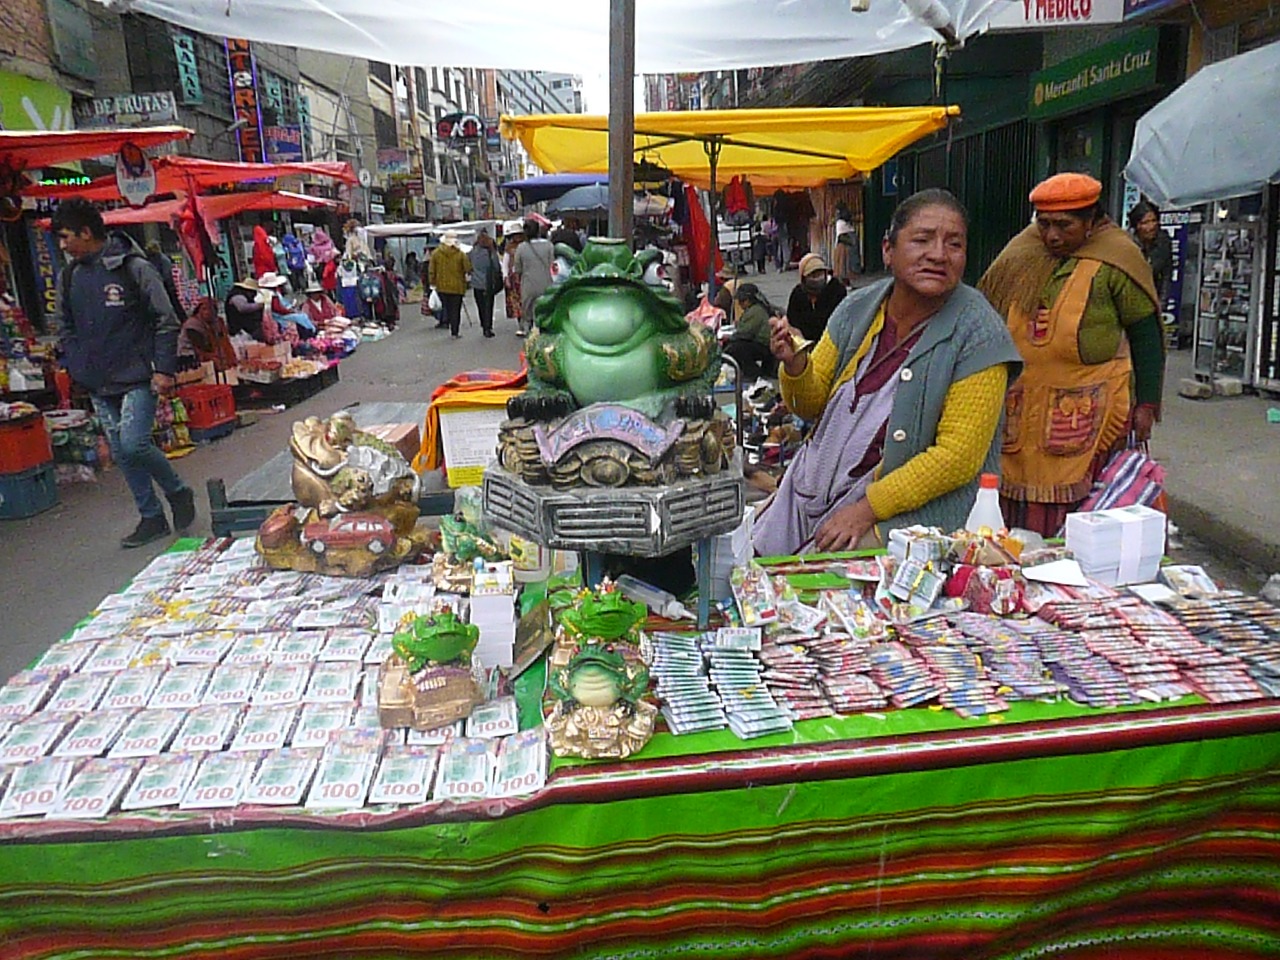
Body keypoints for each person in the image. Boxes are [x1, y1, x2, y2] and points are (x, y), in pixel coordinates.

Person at [752, 188, 1022, 556]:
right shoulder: (858, 307)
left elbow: (956, 458)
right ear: (888, 250)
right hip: (817, 487)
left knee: (832, 572)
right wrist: (796, 365)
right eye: (922, 240)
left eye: (954, 244)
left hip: (908, 516)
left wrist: (865, 510)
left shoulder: (979, 333)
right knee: (756, 565)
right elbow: (811, 405)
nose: (938, 255)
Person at [979, 172, 1165, 538]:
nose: (1051, 236)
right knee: (1008, 500)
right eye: (1044, 224)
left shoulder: (1119, 259)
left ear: (1091, 220)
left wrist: (1146, 404)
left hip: (1088, 410)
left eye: (1064, 226)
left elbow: (1146, 335)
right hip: (1021, 405)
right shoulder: (1022, 252)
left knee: (1080, 508)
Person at [51, 198, 196, 548]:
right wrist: (76, 363)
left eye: (66, 236)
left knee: (134, 442)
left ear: (86, 232)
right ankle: (150, 517)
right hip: (98, 381)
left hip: (139, 376)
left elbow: (166, 320)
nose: (63, 245)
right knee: (120, 450)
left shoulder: (133, 268)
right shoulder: (70, 276)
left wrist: (163, 369)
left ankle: (177, 491)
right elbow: (64, 326)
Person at [786, 253, 847, 343]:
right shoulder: (798, 294)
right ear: (804, 278)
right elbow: (792, 322)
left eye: (820, 274)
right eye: (813, 275)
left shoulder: (837, 291)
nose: (817, 278)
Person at [722, 283, 775, 381]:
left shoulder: (756, 311)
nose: (740, 304)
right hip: (760, 343)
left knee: (737, 348)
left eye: (742, 301)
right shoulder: (753, 310)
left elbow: (745, 333)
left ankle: (753, 373)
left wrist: (729, 337)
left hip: (763, 345)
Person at [513, 218, 554, 337]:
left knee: (528, 309)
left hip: (528, 285)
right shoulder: (549, 245)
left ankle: (527, 329)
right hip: (546, 284)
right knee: (544, 308)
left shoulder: (521, 248)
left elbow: (518, 269)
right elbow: (552, 264)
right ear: (538, 231)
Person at [1129, 200, 1173, 305]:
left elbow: (1166, 273)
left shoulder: (1163, 242)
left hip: (1153, 298)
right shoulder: (1127, 244)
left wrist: (1162, 302)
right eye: (1145, 223)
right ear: (1137, 225)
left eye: (1154, 221)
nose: (1151, 226)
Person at [429, 230, 469, 338]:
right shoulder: (460, 254)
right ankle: (454, 332)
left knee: (446, 307)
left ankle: (446, 322)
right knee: (455, 310)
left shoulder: (435, 254)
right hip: (457, 287)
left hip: (442, 286)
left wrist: (432, 282)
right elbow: (468, 268)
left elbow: (432, 270)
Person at [467, 228, 503, 339]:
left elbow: (469, 266)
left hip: (476, 283)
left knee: (480, 305)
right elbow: (497, 267)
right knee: (488, 305)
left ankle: (484, 324)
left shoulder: (472, 252)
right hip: (488, 283)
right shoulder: (491, 252)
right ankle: (488, 327)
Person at [144, 240, 186, 321]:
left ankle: (180, 319)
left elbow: (166, 274)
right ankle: (180, 319)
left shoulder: (159, 259)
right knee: (173, 303)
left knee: (173, 303)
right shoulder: (158, 259)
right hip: (165, 285)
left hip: (165, 286)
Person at [225, 276, 267, 340]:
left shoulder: (243, 295)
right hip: (240, 328)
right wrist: (259, 305)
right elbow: (243, 308)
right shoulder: (237, 295)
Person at [502, 220, 525, 327]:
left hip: (525, 276)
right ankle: (520, 322)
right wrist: (506, 277)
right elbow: (505, 264)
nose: (518, 237)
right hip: (514, 277)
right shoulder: (509, 248)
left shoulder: (526, 246)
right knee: (516, 301)